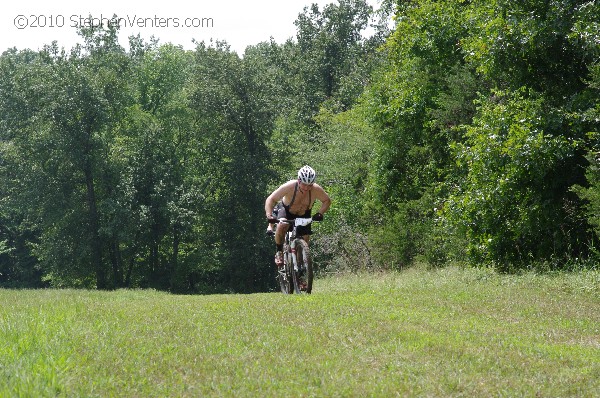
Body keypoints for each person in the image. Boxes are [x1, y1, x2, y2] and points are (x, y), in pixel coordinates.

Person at [264, 165, 331, 267]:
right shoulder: (290, 186)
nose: (307, 188)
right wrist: (269, 215)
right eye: (304, 184)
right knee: (282, 225)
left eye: (310, 185)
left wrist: (320, 213)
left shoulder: (316, 189)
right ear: (299, 181)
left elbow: (327, 201)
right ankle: (279, 251)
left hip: (304, 214)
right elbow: (271, 199)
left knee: (305, 240)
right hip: (286, 211)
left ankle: (300, 274)